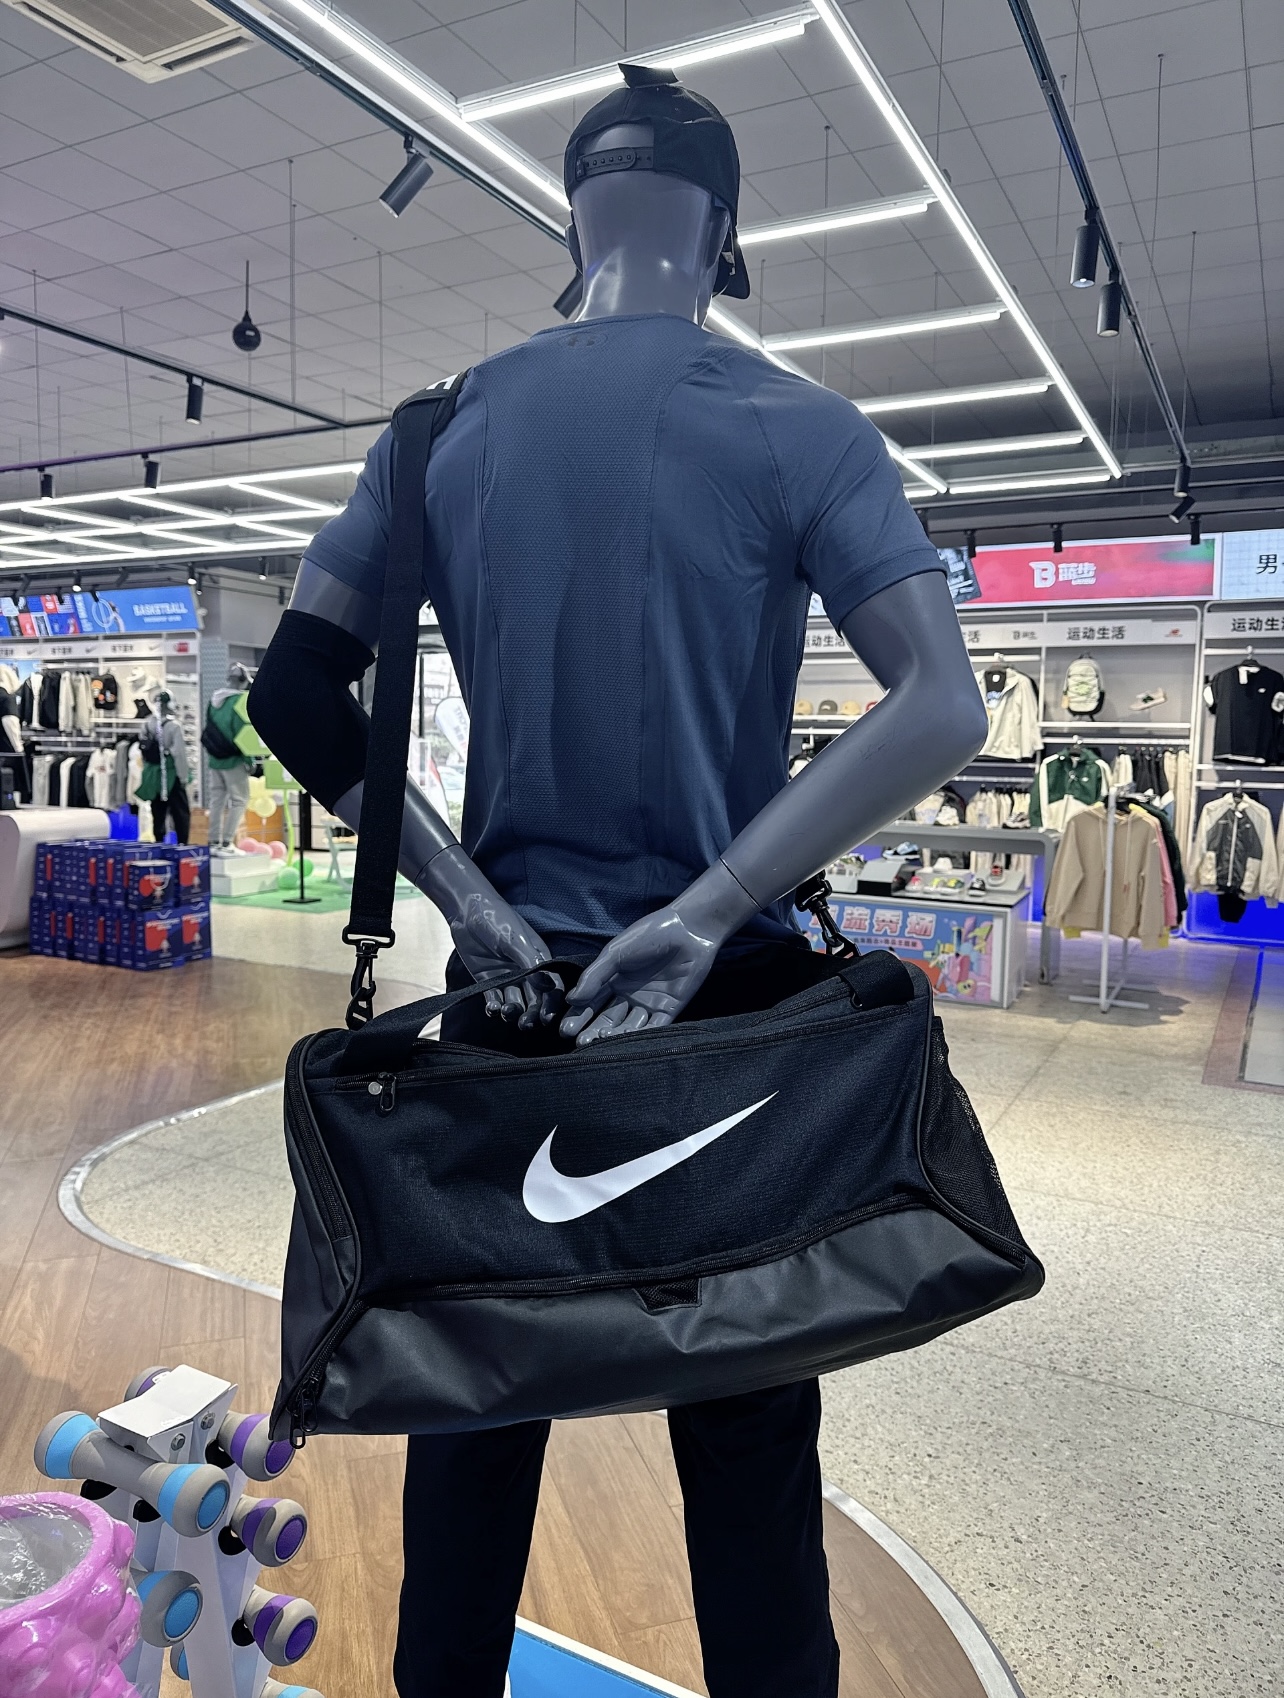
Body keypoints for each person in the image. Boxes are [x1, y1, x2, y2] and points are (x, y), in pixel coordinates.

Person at [249, 63, 986, 1698]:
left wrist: (471, 905)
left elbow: (293, 693)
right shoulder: (802, 426)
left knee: (470, 1438)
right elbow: (942, 703)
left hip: (508, 1005)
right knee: (751, 1456)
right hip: (723, 1022)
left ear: (571, 226)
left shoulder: (433, 433)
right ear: (721, 239)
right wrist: (709, 906)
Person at [203, 662, 255, 851]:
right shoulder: (239, 701)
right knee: (240, 800)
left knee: (217, 801)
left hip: (214, 759)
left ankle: (213, 841)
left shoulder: (214, 700)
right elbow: (242, 734)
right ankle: (227, 841)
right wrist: (249, 760)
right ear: (242, 681)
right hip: (233, 759)